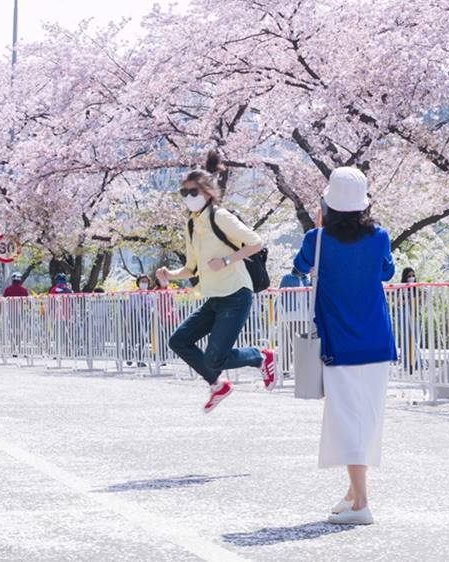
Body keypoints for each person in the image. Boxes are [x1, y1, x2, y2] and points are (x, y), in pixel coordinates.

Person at [291, 166, 396, 526]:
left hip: (339, 342)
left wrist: (318, 226)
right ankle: (353, 492)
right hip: (377, 340)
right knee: (367, 417)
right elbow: (386, 273)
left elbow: (300, 266)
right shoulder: (380, 236)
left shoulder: (316, 239)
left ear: (329, 203)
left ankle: (361, 503)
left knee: (348, 418)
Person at [157, 149, 276, 413]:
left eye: (193, 192)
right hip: (215, 297)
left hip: (236, 293)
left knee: (215, 356)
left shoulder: (219, 216)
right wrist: (170, 276)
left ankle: (261, 357)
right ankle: (217, 384)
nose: (188, 198)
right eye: (183, 193)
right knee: (179, 340)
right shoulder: (192, 224)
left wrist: (226, 261)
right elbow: (191, 268)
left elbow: (255, 243)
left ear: (208, 192)